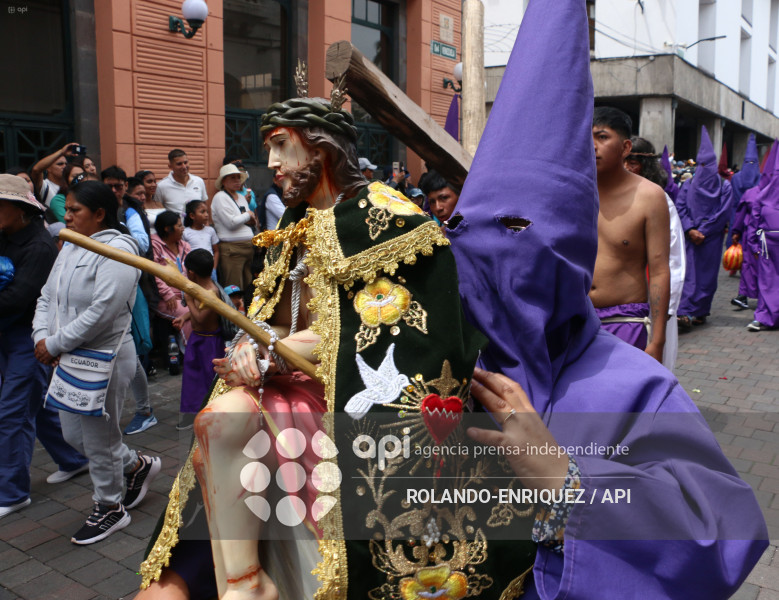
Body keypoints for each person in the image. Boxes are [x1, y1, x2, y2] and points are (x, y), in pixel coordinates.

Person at [447, 1, 766, 597]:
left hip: (622, 326)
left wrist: (567, 484)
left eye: (516, 229)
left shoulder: (636, 390)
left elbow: (727, 533)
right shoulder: (440, 362)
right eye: (466, 231)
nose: (491, 258)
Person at [140, 88, 483, 599]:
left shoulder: (388, 216)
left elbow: (391, 331)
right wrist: (253, 347)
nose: (272, 164)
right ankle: (244, 581)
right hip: (288, 380)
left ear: (321, 149)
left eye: (282, 146)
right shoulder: (291, 224)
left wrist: (273, 351)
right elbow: (276, 318)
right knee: (217, 419)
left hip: (359, 392)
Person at [32, 181, 161, 544]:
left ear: (100, 213)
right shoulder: (72, 244)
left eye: (75, 210)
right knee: (75, 436)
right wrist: (41, 337)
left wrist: (54, 343)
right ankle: (136, 465)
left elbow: (101, 312)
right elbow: (47, 297)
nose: (66, 216)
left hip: (103, 359)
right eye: (67, 209)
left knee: (99, 439)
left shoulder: (120, 250)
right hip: (67, 357)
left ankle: (110, 507)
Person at [0, 174, 87, 518]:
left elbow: (18, 300)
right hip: (7, 336)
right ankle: (73, 458)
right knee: (33, 405)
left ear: (20, 209)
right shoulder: (6, 235)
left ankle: (12, 492)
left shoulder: (37, 246)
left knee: (12, 412)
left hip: (29, 338)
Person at [590, 107, 670, 361]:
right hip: (576, 319)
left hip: (626, 321)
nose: (592, 146)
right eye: (586, 138)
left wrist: (657, 341)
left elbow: (659, 270)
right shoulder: (572, 192)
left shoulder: (649, 196)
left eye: (602, 137)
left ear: (625, 148)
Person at [625, 136, 686, 371]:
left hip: (652, 301)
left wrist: (667, 310)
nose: (627, 167)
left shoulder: (660, 201)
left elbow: (674, 260)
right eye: (624, 161)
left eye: (633, 162)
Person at [676, 126, 735, 328]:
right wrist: (690, 229)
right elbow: (680, 208)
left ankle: (700, 310)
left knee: (707, 277)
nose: (704, 168)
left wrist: (705, 231)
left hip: (711, 239)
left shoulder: (724, 186)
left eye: (707, 164)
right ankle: (684, 311)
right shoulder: (687, 185)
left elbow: (724, 211)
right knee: (688, 275)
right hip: (691, 238)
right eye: (700, 164)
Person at [177, 249, 226, 431]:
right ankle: (193, 413)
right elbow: (196, 313)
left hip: (209, 343)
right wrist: (184, 317)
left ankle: (211, 415)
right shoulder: (202, 289)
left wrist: (188, 298)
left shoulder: (211, 293)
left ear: (191, 272)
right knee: (192, 378)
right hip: (198, 339)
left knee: (208, 379)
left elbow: (201, 318)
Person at [747, 143, 779, 331]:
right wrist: (753, 244)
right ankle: (764, 316)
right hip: (767, 244)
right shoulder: (762, 197)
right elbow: (754, 222)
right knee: (767, 281)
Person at [731, 135, 765, 310]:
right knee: (748, 264)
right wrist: (736, 230)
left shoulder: (760, 185)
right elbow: (739, 209)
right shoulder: (756, 183)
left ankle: (761, 295)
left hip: (763, 233)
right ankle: (743, 295)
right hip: (748, 230)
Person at [211, 163, 257, 289]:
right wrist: (248, 215)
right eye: (232, 178)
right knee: (234, 287)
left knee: (248, 285)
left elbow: (252, 221)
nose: (237, 181)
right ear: (224, 181)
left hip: (247, 247)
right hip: (233, 249)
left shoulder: (241, 198)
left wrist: (245, 217)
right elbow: (231, 223)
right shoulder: (220, 197)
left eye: (238, 177)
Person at [151, 211, 192, 343]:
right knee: (191, 317)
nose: (182, 229)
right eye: (179, 226)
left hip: (187, 295)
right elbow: (154, 272)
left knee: (205, 313)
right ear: (167, 229)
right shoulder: (155, 245)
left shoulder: (184, 246)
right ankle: (191, 353)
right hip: (167, 298)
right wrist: (167, 294)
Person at [154, 149, 208, 216]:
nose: (184, 167)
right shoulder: (161, 186)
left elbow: (204, 207)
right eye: (179, 164)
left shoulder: (199, 181)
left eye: (185, 162)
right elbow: (159, 211)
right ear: (170, 166)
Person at [30, 142, 82, 207]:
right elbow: (36, 170)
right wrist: (61, 152)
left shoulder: (71, 186)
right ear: (47, 167)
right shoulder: (45, 185)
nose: (64, 166)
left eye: (66, 164)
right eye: (60, 164)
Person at [183, 199, 220, 280]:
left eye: (207, 212)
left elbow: (216, 251)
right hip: (194, 270)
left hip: (210, 269)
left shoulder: (210, 230)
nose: (206, 215)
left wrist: (214, 268)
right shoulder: (185, 232)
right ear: (192, 216)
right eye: (202, 212)